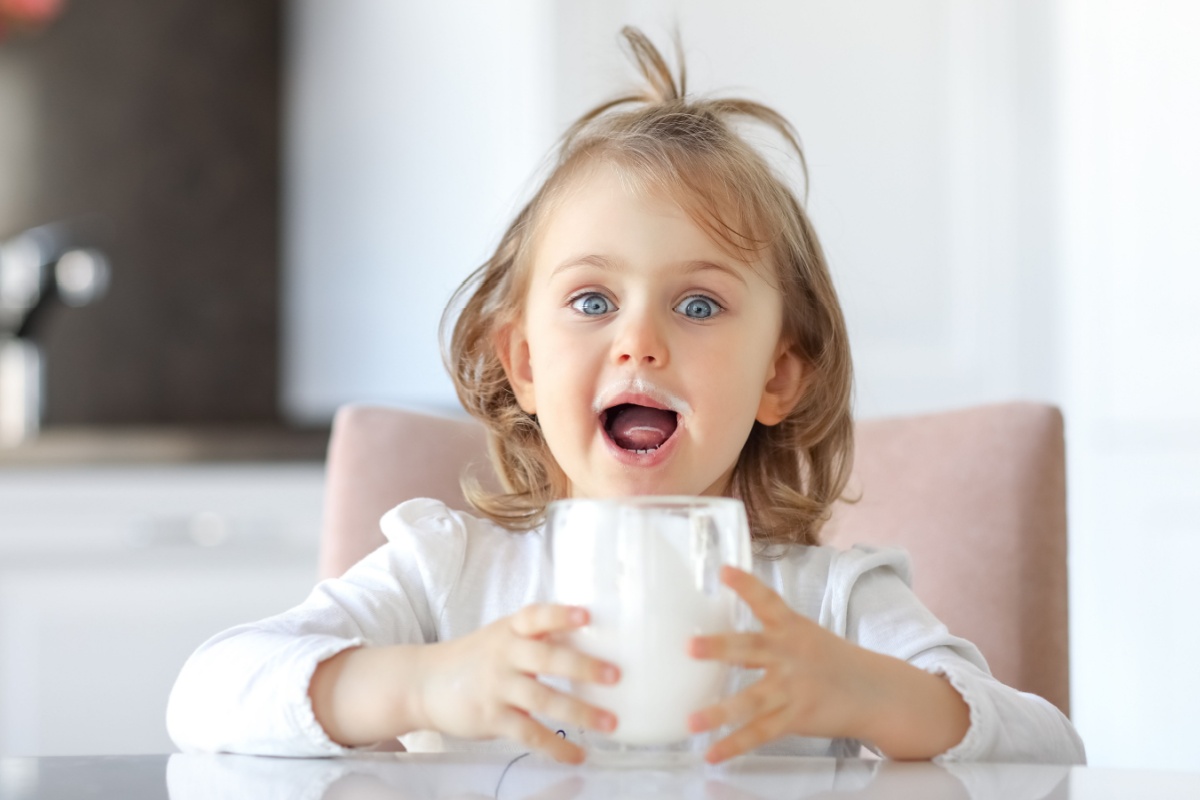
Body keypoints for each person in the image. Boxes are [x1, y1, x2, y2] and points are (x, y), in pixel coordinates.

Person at [167, 27, 1086, 766]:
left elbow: (1051, 745)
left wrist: (867, 693)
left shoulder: (828, 605)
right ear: (525, 364)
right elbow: (208, 692)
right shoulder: (447, 573)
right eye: (593, 301)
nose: (639, 340)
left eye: (699, 303)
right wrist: (426, 685)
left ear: (777, 374)